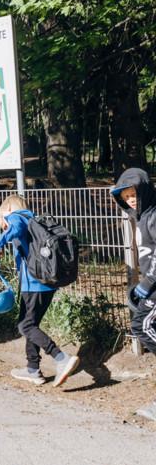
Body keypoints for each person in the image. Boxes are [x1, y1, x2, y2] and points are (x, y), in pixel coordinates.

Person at [0, 194, 80, 386]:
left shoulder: (16, 216)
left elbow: (16, 227)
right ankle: (33, 369)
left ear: (6, 210)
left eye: (0, 216)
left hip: (33, 284)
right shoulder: (33, 219)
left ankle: (60, 358)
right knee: (31, 325)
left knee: (25, 326)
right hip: (48, 283)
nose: (2, 222)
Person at [112, 168, 156, 421]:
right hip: (151, 284)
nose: (130, 199)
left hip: (154, 284)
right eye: (126, 196)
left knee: (141, 325)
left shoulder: (154, 214)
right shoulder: (141, 217)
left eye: (134, 194)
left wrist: (147, 283)